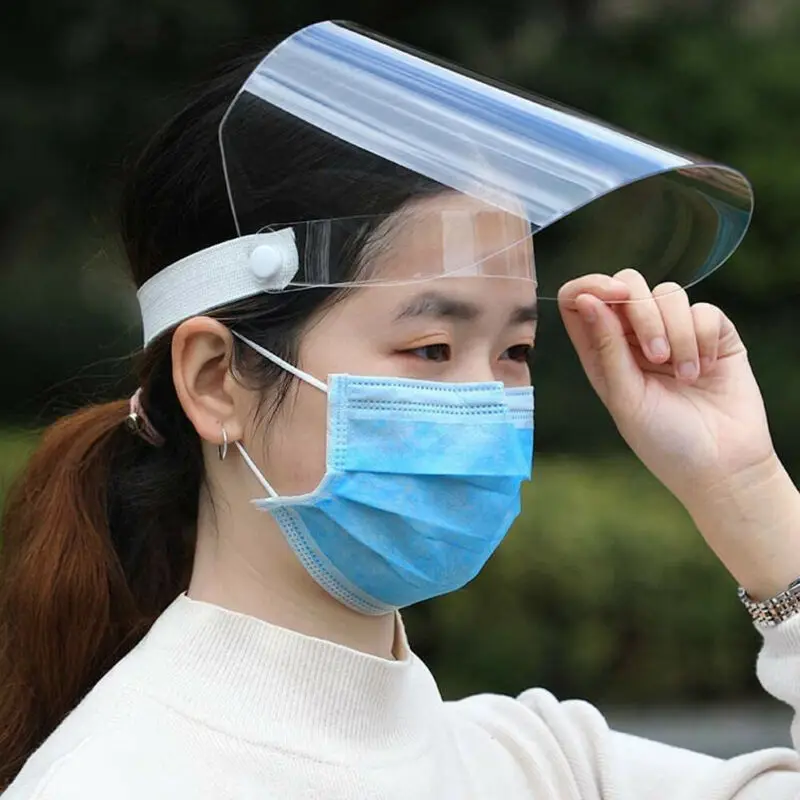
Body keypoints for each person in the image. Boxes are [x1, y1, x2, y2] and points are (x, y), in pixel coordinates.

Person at [2, 22, 800, 800]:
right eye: (431, 348)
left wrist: (745, 488)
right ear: (216, 380)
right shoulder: (111, 781)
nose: (485, 400)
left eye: (516, 351)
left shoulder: (547, 765)